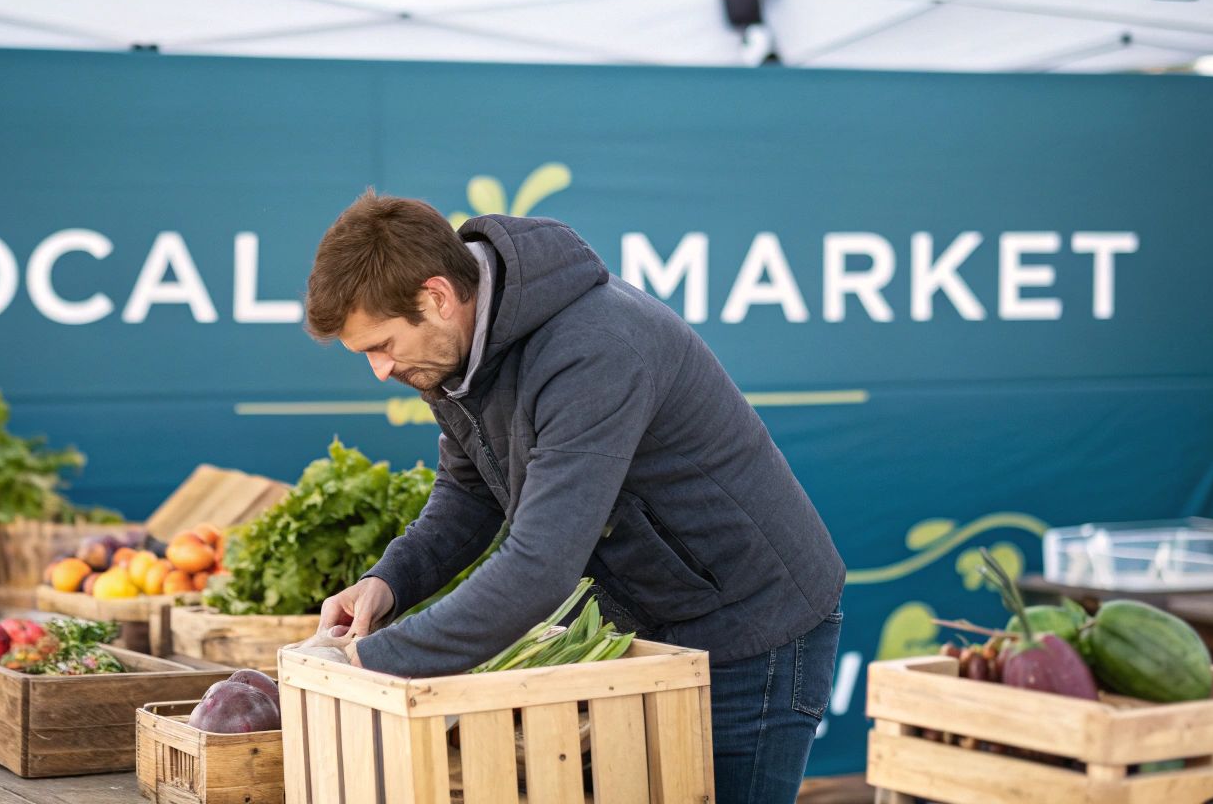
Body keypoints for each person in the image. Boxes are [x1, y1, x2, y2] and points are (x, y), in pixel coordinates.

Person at [305, 192, 844, 803]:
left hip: (754, 626)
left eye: (382, 345)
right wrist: (390, 582)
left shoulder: (596, 349)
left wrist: (371, 661)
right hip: (653, 625)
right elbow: (469, 490)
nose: (380, 369)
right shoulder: (452, 350)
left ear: (436, 296)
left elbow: (540, 567)